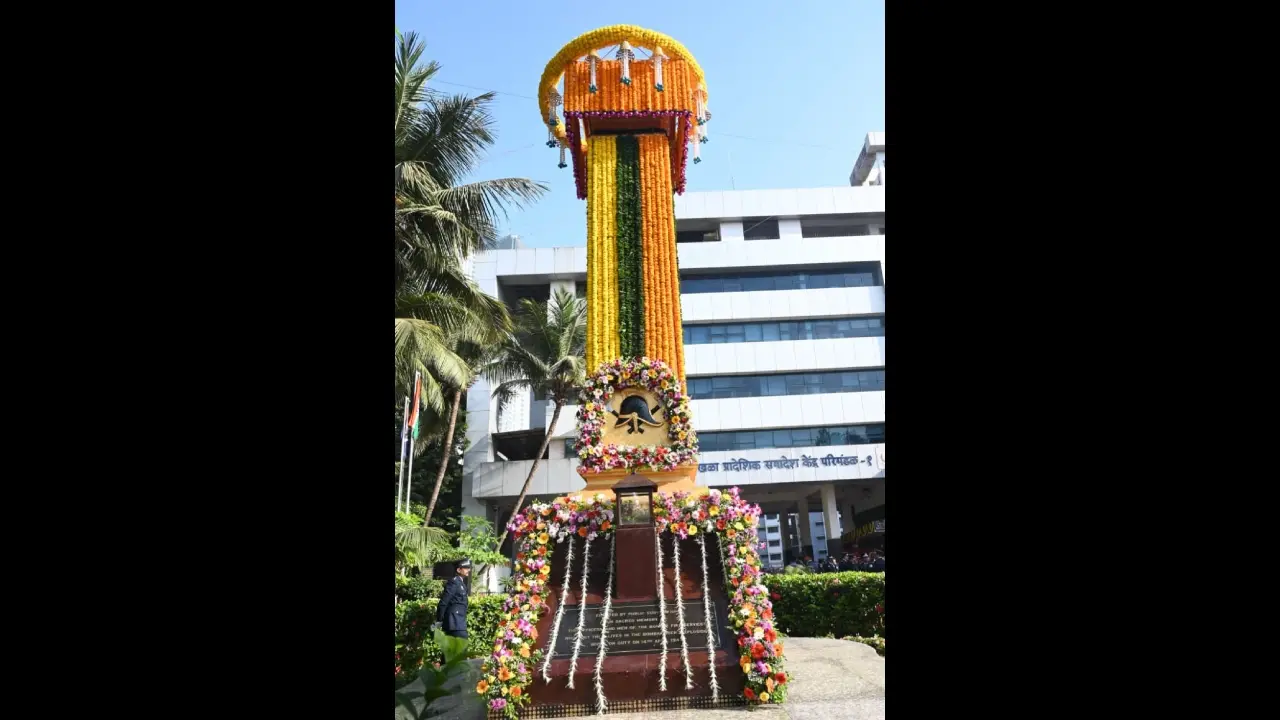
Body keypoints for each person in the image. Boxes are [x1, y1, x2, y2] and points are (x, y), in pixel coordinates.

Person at [436, 558, 472, 640]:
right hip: (454, 623)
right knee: (461, 648)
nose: (468, 570)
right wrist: (439, 620)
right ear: (459, 570)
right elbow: (444, 602)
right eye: (466, 568)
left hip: (459, 622)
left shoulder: (461, 583)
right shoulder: (454, 582)